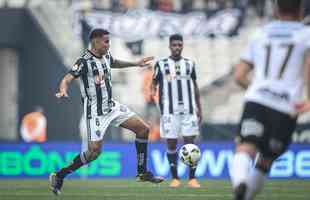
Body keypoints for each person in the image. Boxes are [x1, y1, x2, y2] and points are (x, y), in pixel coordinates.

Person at [49, 28, 164, 195]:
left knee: (143, 129)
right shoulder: (84, 61)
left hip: (111, 106)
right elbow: (67, 78)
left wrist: (136, 63)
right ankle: (60, 175)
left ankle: (142, 172)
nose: (108, 44)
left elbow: (114, 62)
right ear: (95, 42)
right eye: (106, 41)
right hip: (95, 112)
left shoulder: (106, 56)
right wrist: (63, 89)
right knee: (94, 152)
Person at [231, 0, 310, 199]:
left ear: (275, 9)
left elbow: (239, 75)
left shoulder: (260, 33)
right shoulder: (306, 35)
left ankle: (240, 183)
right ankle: (245, 194)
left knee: (244, 148)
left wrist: (258, 91)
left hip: (256, 100)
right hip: (285, 106)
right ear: (301, 9)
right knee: (265, 161)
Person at [151, 34, 202, 188]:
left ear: (183, 46)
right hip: (169, 111)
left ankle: (192, 178)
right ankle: (175, 178)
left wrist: (200, 108)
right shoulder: (161, 64)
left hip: (189, 110)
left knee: (190, 145)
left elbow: (195, 86)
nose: (177, 48)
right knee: (171, 144)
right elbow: (153, 84)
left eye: (180, 45)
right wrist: (153, 93)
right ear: (169, 46)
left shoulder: (190, 64)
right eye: (174, 45)